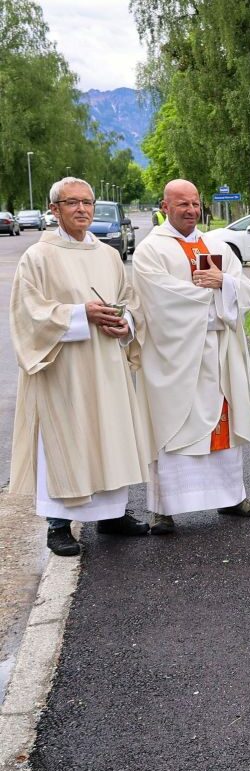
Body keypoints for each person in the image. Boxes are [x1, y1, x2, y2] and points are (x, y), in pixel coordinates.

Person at [9, 177, 151, 557]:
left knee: (109, 434)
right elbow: (28, 313)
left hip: (106, 364)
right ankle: (58, 524)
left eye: (87, 202)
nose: (83, 210)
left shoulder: (106, 255)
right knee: (66, 441)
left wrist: (127, 324)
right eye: (72, 203)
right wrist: (79, 314)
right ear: (54, 210)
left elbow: (129, 300)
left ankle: (112, 514)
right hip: (63, 369)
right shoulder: (38, 257)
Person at [131, 179, 250, 534]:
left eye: (195, 204)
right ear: (164, 206)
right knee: (172, 426)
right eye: (181, 205)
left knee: (222, 423)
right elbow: (159, 301)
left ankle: (231, 496)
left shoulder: (216, 243)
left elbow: (247, 289)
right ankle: (164, 509)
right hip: (175, 357)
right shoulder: (150, 250)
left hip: (218, 353)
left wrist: (225, 283)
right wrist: (214, 298)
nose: (191, 211)